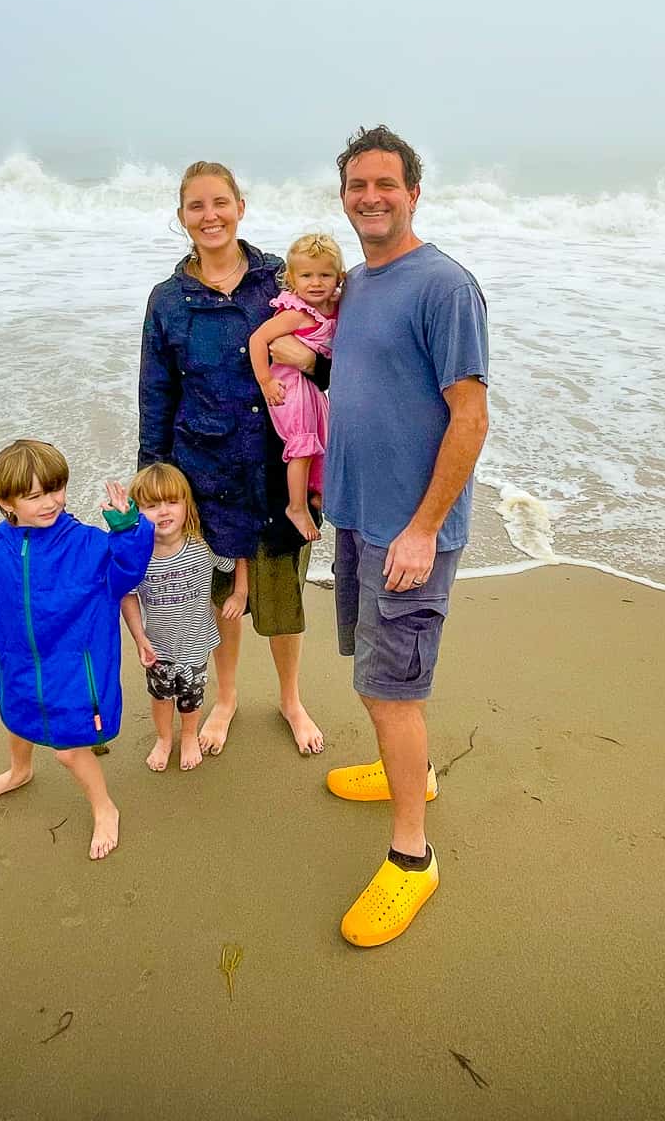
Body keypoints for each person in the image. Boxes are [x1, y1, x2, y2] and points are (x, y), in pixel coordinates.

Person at [321, 125, 489, 946]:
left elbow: (471, 415)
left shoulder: (444, 286)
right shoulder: (354, 282)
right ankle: (414, 774)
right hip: (357, 518)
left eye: (386, 184)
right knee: (371, 671)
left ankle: (413, 856)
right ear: (344, 196)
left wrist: (424, 529)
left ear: (413, 192)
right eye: (358, 186)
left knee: (395, 690)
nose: (371, 197)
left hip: (409, 532)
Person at [138, 161, 327, 757]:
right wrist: (154, 482)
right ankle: (225, 696)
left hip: (279, 468)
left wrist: (308, 364)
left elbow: (334, 360)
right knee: (219, 597)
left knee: (282, 597)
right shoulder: (168, 301)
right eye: (196, 206)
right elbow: (157, 392)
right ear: (181, 218)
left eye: (220, 202)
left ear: (241, 206)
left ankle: (291, 699)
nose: (209, 215)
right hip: (203, 474)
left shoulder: (281, 281)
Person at [0, 439, 153, 861]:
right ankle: (19, 771)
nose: (51, 502)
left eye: (55, 489)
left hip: (73, 666)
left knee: (67, 749)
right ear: (6, 501)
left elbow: (128, 569)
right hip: (15, 660)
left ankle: (104, 807)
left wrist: (127, 527)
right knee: (16, 717)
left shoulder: (86, 544)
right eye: (34, 495)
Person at [118, 462, 224, 773]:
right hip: (158, 647)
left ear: (186, 503)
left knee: (192, 698)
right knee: (161, 696)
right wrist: (140, 639)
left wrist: (239, 594)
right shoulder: (140, 556)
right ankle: (164, 739)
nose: (163, 512)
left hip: (196, 643)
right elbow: (127, 595)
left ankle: (189, 735)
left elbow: (236, 557)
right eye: (152, 505)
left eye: (172, 502)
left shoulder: (203, 546)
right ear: (139, 511)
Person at [245, 232, 346, 542]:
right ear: (291, 278)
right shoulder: (296, 313)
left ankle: (316, 493)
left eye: (324, 275)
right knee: (302, 445)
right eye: (306, 275)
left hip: (311, 388)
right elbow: (257, 339)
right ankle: (296, 506)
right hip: (287, 387)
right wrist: (265, 381)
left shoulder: (335, 306)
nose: (315, 283)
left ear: (338, 277)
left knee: (324, 439)